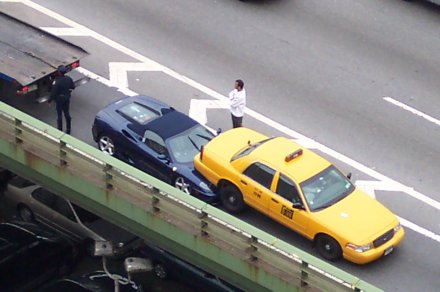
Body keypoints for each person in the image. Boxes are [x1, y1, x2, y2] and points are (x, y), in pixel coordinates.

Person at [48, 65, 75, 134]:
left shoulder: (57, 81)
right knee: (67, 113)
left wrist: (49, 100)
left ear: (59, 72)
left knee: (59, 114)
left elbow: (53, 92)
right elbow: (73, 87)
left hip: (59, 99)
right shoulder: (69, 79)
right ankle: (68, 129)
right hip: (67, 98)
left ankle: (60, 129)